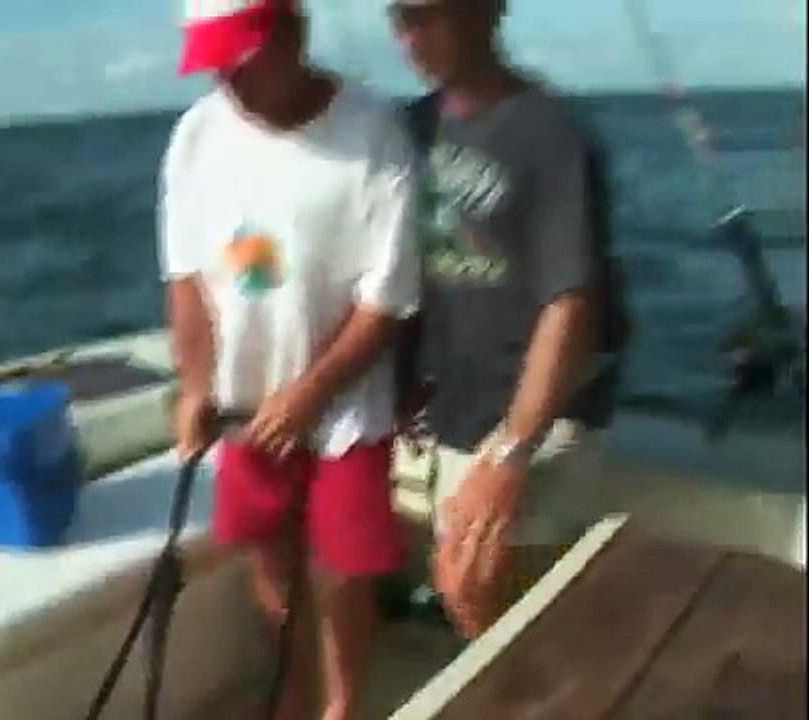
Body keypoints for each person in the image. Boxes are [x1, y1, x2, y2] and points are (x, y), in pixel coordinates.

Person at [159, 1, 420, 718]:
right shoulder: (195, 139)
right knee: (269, 560)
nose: (225, 79)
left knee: (343, 573)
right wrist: (194, 387)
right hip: (245, 403)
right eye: (214, 61)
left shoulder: (374, 132)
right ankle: (294, 698)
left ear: (292, 33)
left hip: (344, 406)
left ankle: (343, 708)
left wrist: (310, 393)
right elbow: (187, 282)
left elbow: (387, 301)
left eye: (239, 58)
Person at [387, 0, 627, 639]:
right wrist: (399, 386)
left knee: (472, 584)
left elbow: (570, 302)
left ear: (486, 11)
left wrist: (514, 452)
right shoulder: (410, 129)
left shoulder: (551, 135)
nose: (410, 36)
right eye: (399, 18)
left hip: (538, 416)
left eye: (425, 15)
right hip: (450, 412)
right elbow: (407, 277)